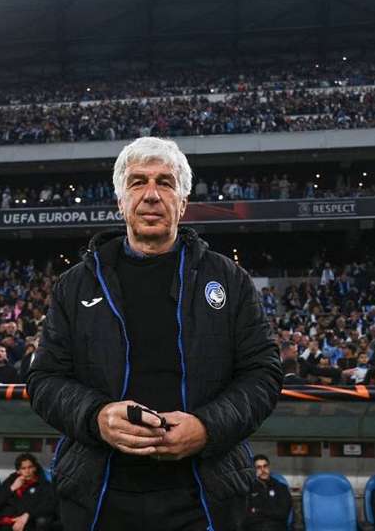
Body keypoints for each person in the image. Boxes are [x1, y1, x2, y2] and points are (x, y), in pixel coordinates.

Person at [27, 137, 282, 531]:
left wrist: (207, 428)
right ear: (120, 200)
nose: (150, 195)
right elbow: (44, 380)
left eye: (164, 182)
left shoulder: (228, 279)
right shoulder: (74, 285)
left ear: (182, 202)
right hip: (99, 493)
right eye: (137, 182)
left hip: (204, 494)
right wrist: (96, 417)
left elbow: (263, 374)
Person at [0, 454, 56, 531]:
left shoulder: (43, 485)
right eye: (23, 468)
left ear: (35, 468)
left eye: (30, 467)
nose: (27, 471)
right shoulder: (11, 482)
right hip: (4, 521)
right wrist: (12, 488)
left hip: (29, 523)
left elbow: (50, 505)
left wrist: (28, 515)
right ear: (18, 471)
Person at [242, 454, 291, 531]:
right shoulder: (247, 489)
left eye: (265, 466)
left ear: (269, 467)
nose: (263, 470)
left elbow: (283, 514)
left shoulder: (281, 487)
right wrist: (271, 511)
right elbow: (245, 518)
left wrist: (258, 510)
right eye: (259, 467)